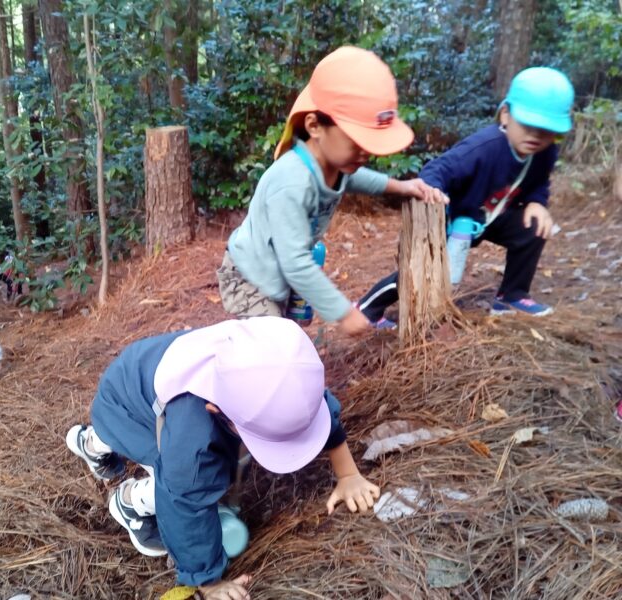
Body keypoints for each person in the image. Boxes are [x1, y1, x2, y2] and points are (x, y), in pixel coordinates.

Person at [66, 317, 380, 599]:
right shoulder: (193, 435)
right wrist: (207, 580)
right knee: (181, 474)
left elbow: (316, 410)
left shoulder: (283, 369)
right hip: (130, 405)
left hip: (143, 369)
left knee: (123, 434)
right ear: (217, 412)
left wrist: (348, 474)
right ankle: (130, 502)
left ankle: (92, 441)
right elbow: (183, 498)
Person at [217, 46, 447, 336]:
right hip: (251, 275)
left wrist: (402, 187)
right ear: (315, 126)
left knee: (292, 334)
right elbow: (295, 263)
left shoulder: (337, 163)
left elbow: (357, 178)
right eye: (356, 140)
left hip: (282, 269)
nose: (365, 152)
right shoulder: (292, 183)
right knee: (272, 344)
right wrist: (344, 312)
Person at [358, 67, 575, 323]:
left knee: (532, 227)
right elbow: (438, 169)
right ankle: (366, 310)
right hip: (457, 218)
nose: (536, 136)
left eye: (547, 130)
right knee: (422, 271)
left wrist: (538, 203)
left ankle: (512, 295)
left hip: (490, 219)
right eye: (528, 125)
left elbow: (539, 182)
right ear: (506, 115)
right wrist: (434, 195)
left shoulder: (545, 154)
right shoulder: (483, 148)